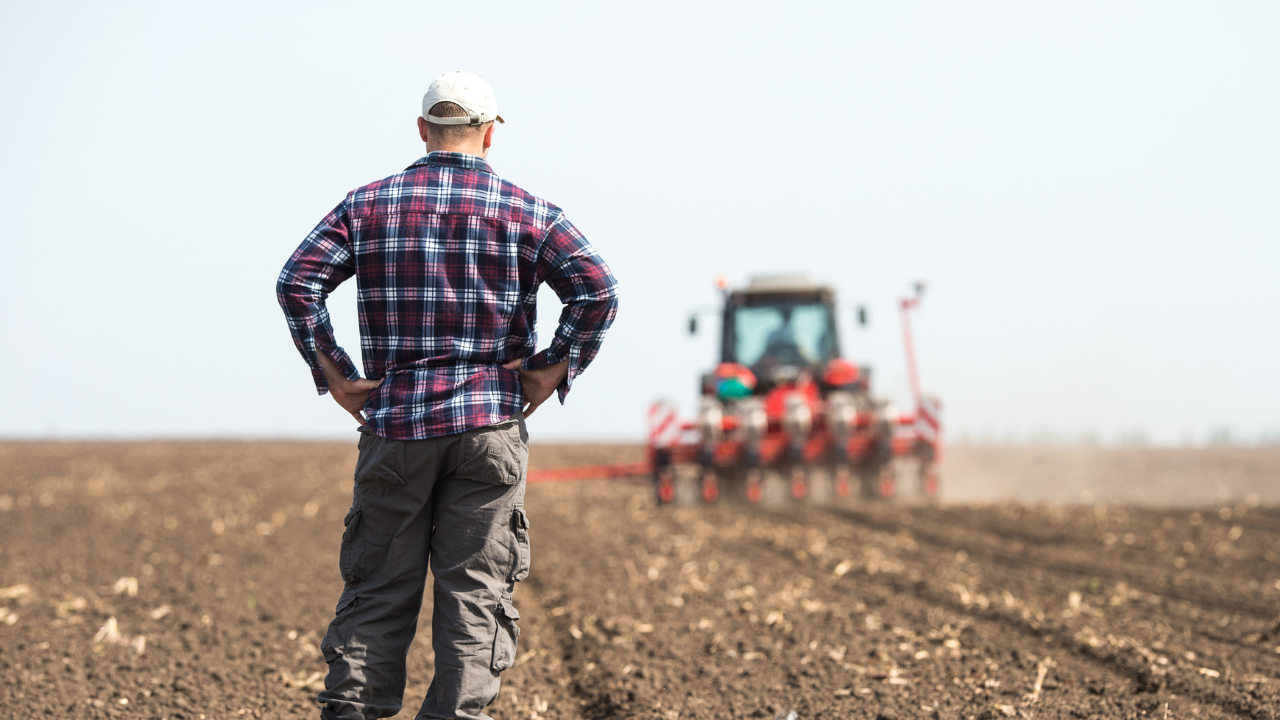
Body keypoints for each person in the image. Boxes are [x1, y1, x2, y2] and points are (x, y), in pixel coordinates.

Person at [276, 70, 618, 720]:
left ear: (423, 130)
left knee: (377, 592)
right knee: (476, 597)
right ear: (490, 134)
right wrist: (550, 371)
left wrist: (337, 374)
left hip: (396, 427)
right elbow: (597, 288)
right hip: (489, 427)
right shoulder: (530, 210)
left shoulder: (367, 205)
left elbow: (298, 281)